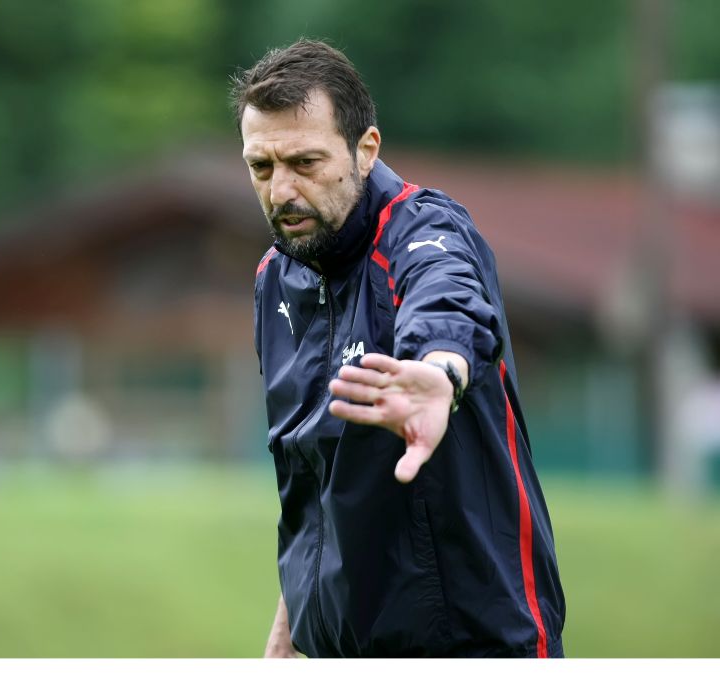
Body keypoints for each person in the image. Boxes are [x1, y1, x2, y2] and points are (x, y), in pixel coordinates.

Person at [232, 39, 566, 657]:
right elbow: (313, 483)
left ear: (365, 150)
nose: (281, 192)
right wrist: (289, 632)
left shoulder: (427, 229)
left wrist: (440, 371)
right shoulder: (276, 277)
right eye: (262, 168)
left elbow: (448, 297)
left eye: (305, 163)